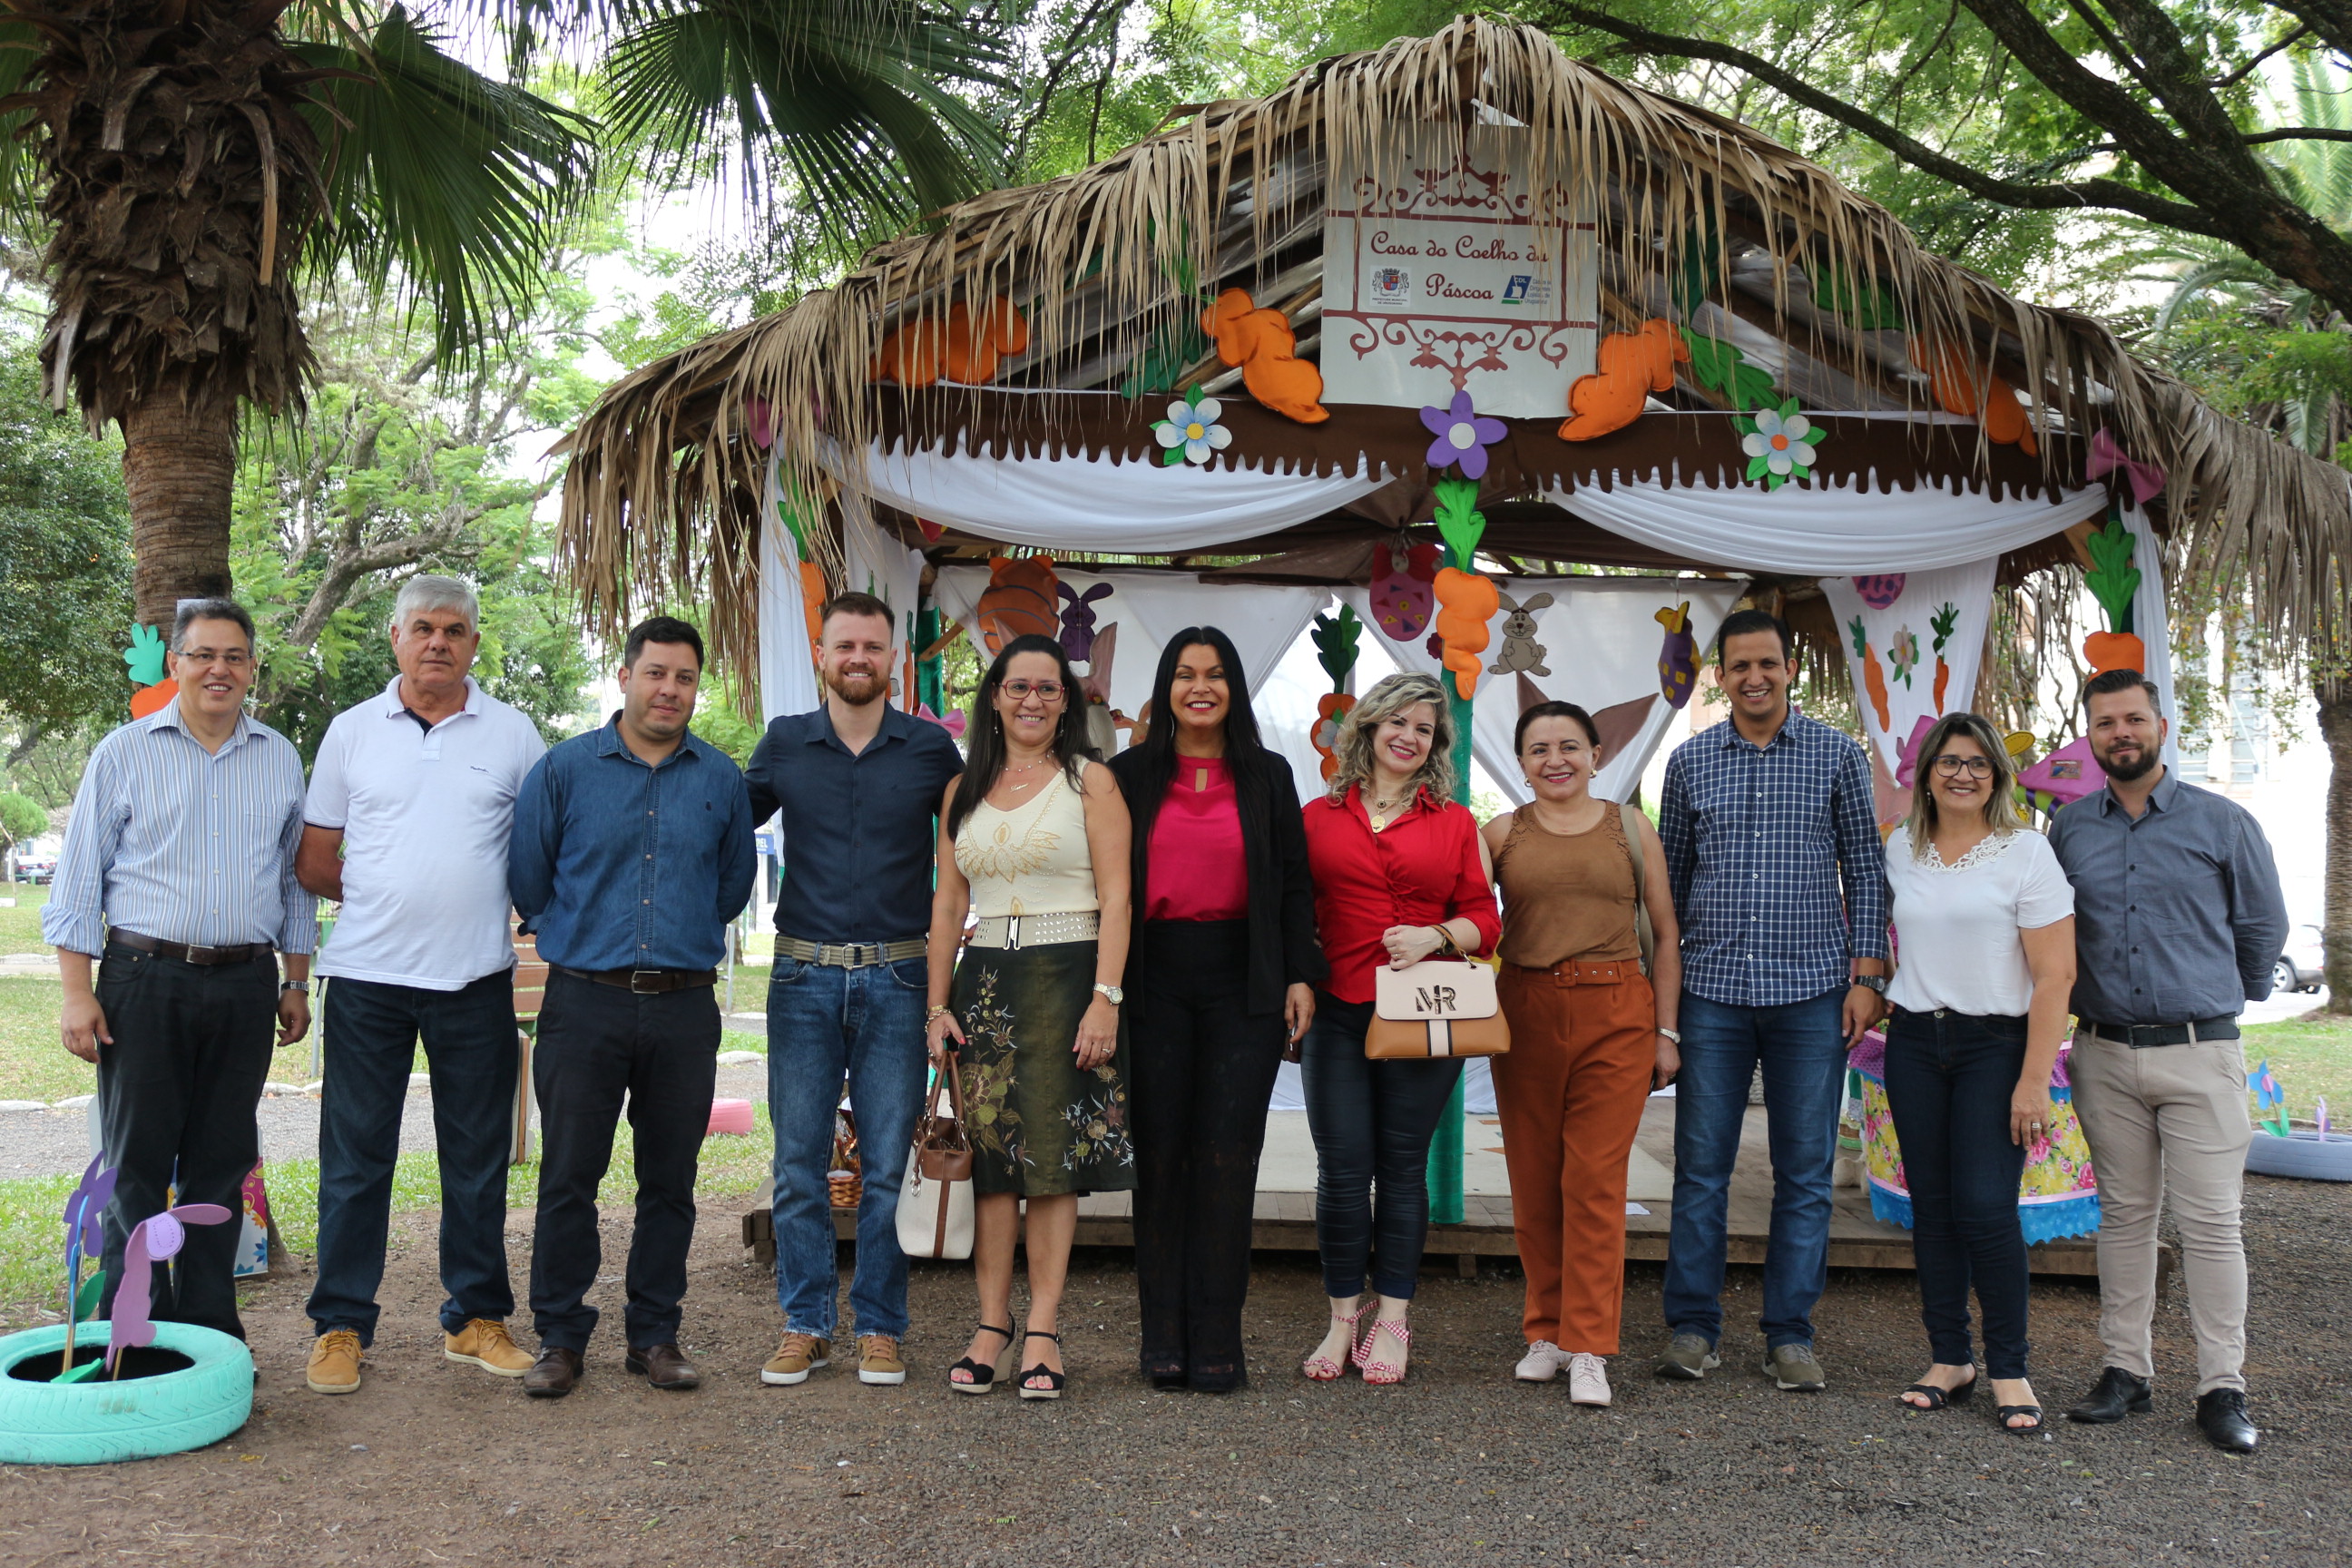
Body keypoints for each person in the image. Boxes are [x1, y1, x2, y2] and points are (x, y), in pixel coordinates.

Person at [297, 574, 548, 1396]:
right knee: (355, 1160)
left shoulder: (514, 735)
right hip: (366, 980)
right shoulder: (350, 732)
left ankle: (475, 1320)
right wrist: (389, 896)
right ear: (395, 639)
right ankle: (340, 1325)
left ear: (475, 644)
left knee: (475, 1159)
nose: (438, 642)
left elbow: (539, 853)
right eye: (422, 629)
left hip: (474, 978)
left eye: (454, 630)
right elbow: (317, 858)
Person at [44, 599, 314, 1342]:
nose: (218, 669)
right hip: (143, 981)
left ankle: (207, 1336)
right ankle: (130, 1336)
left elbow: (293, 884)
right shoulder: (123, 752)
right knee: (135, 1169)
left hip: (244, 985)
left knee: (221, 1169)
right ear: (176, 664)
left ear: (252, 668)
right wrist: (76, 993)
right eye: (202, 655)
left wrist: (295, 981)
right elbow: (77, 884)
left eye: (234, 656)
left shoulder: (279, 757)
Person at [505, 617, 755, 1397]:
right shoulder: (565, 770)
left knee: (669, 1180)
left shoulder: (721, 780)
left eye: (684, 677)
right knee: (570, 1175)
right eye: (656, 673)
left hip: (684, 1008)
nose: (669, 690)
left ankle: (655, 1333)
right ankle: (559, 1338)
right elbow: (529, 882)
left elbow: (732, 887)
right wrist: (586, 936)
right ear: (625, 676)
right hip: (585, 1001)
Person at [2049, 669, 2288, 1453]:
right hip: (2105, 1053)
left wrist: (2220, 1003)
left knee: (2214, 1224)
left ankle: (2223, 1387)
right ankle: (2127, 1371)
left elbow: (2261, 930)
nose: (2121, 732)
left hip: (2200, 1051)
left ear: (2160, 725)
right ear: (2090, 735)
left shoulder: (2224, 824)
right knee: (2124, 1217)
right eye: (2106, 722)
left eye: (2134, 719)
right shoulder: (2070, 829)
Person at [1655, 607, 1888, 1393]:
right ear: (1719, 675)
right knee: (1701, 1169)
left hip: (1813, 992)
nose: (1755, 677)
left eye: (1769, 664)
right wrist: (1668, 1001)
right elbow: (1672, 889)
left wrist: (1867, 978)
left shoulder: (1836, 756)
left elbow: (1866, 868)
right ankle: (1692, 1328)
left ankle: (1790, 1334)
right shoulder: (1691, 764)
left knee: (1806, 1171)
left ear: (1791, 669)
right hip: (1713, 994)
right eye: (1739, 665)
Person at [746, 592, 963, 1389]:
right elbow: (725, 826)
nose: (859, 659)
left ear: (893, 657)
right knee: (798, 1163)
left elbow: (985, 838)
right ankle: (806, 1323)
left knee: (884, 1167)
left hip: (900, 975)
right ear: (822, 655)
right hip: (802, 973)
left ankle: (878, 1325)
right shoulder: (785, 743)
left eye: (873, 646)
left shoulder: (932, 749)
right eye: (846, 646)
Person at [1107, 628, 1325, 1392]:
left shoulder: (1267, 774)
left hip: (1246, 983)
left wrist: (1302, 974)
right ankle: (1162, 1335)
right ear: (1166, 687)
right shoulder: (1126, 775)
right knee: (1160, 1158)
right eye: (1186, 674)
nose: (1201, 687)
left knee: (1230, 1158)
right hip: (1151, 979)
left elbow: (1296, 886)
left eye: (1217, 674)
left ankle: (1219, 1339)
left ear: (1235, 687)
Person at [926, 633, 1135, 1399]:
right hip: (985, 982)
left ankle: (1042, 1326)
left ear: (1066, 701)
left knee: (1050, 1165)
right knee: (991, 1164)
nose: (1033, 700)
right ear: (995, 696)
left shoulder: (1092, 783)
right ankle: (991, 1323)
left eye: (1049, 688)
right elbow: (949, 903)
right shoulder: (962, 790)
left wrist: (1105, 999)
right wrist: (936, 1006)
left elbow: (1117, 899)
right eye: (1019, 687)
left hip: (1068, 975)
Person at [1296, 671, 1500, 1387]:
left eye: (1423, 729)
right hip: (1336, 1011)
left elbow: (1488, 918)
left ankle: (1393, 1320)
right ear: (1370, 728)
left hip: (1424, 1014)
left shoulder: (1454, 822)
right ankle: (1340, 1320)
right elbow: (1297, 912)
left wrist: (1438, 933)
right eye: (1397, 723)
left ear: (1434, 745)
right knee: (1343, 1170)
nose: (1409, 737)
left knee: (1402, 1167)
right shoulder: (1317, 815)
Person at [1481, 701, 1681, 1408]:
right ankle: (1548, 1332)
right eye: (1538, 749)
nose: (1555, 759)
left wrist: (1667, 1032)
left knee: (1595, 1181)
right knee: (1535, 1177)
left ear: (1597, 753)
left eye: (1570, 745)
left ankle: (1590, 1344)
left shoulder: (1631, 827)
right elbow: (1468, 916)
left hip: (1617, 1012)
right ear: (1521, 762)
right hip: (1525, 1011)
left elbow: (1664, 931)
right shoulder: (1500, 833)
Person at [1880, 711, 2075, 1435]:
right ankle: (1949, 1358)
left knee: (1986, 1208)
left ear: (1997, 774)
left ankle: (2009, 1368)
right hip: (1914, 1041)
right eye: (1949, 761)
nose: (1963, 774)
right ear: (1927, 771)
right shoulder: (1902, 846)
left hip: (1996, 1044)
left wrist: (2033, 1080)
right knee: (1931, 1204)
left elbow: (2055, 977)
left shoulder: (2025, 853)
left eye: (1978, 763)